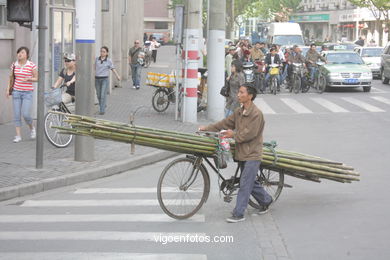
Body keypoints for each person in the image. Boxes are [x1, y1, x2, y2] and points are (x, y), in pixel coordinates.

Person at [199, 83, 272, 223]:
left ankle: (239, 213)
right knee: (250, 182)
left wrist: (232, 134)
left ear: (250, 96)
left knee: (245, 183)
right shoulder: (239, 111)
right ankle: (266, 200)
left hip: (252, 154)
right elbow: (224, 123)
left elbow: (248, 134)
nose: (238, 95)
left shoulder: (256, 114)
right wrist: (207, 129)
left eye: (242, 92)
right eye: (238, 92)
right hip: (242, 153)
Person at [5, 47, 38, 143]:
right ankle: (18, 135)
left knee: (26, 114)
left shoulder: (31, 65)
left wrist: (29, 79)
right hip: (16, 92)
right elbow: (11, 78)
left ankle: (32, 128)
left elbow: (37, 78)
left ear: (27, 55)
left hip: (27, 93)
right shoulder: (14, 65)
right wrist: (8, 89)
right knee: (16, 114)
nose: (20, 54)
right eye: (18, 52)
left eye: (22, 52)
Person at [94, 46, 121, 115]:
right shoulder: (96, 59)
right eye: (101, 51)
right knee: (98, 95)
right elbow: (93, 68)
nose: (102, 53)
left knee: (103, 95)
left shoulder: (109, 60)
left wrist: (117, 76)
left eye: (104, 52)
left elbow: (113, 68)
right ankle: (103, 104)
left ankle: (102, 110)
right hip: (97, 79)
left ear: (107, 53)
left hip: (104, 79)